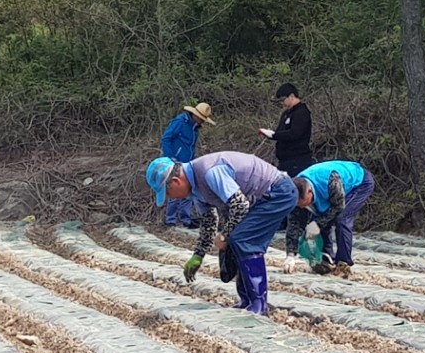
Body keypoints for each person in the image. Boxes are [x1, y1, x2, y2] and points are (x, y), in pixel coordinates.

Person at [146, 151, 297, 315]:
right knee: (236, 241)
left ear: (176, 182)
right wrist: (198, 255)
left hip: (278, 192)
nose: (170, 197)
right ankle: (246, 300)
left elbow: (240, 206)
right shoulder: (195, 189)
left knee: (243, 240)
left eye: (168, 193)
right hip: (262, 198)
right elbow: (209, 221)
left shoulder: (210, 172)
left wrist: (224, 235)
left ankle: (258, 304)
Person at [283, 160, 374, 277]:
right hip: (329, 190)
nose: (301, 207)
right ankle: (326, 258)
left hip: (360, 182)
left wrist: (316, 224)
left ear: (310, 192)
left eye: (302, 203)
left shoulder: (332, 182)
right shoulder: (294, 190)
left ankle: (343, 263)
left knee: (342, 219)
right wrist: (290, 255)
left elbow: (338, 207)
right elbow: (294, 224)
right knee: (319, 217)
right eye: (298, 204)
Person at [160, 102, 216, 228]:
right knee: (174, 189)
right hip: (175, 161)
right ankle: (170, 221)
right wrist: (170, 158)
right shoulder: (179, 122)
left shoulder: (195, 128)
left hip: (188, 162)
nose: (203, 121)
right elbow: (166, 138)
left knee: (188, 190)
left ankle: (186, 220)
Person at [258, 83, 314, 178]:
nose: (282, 103)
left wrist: (275, 135)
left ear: (291, 96)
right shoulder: (286, 114)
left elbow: (295, 134)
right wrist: (270, 134)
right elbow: (280, 132)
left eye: (283, 100)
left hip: (297, 160)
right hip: (284, 160)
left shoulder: (302, 112)